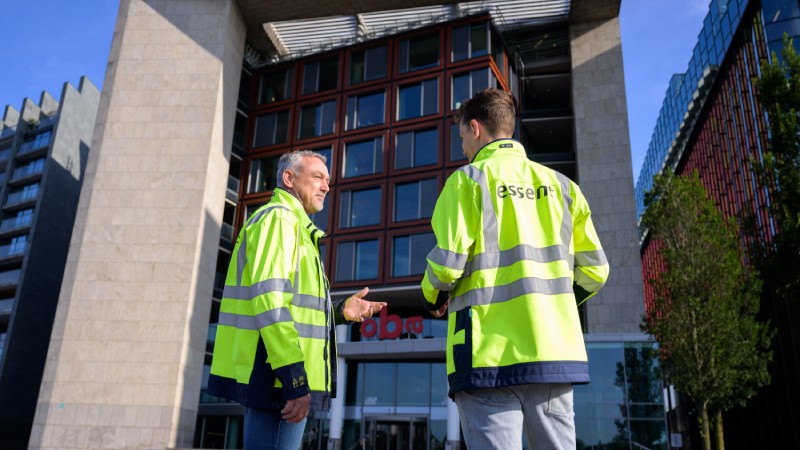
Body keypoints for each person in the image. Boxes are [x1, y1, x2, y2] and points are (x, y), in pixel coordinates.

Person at [421, 88, 609, 450]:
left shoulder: (467, 180)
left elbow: (447, 265)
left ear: (475, 128)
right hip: (553, 352)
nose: (462, 147)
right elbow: (596, 271)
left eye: (461, 137)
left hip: (485, 356)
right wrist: (558, 305)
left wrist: (430, 296)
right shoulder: (564, 187)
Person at [208, 150, 387, 450]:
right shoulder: (280, 220)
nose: (327, 187)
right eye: (317, 177)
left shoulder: (294, 227)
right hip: (277, 378)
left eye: (328, 180)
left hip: (276, 375)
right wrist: (294, 381)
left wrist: (339, 312)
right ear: (289, 178)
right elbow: (271, 304)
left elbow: (291, 306)